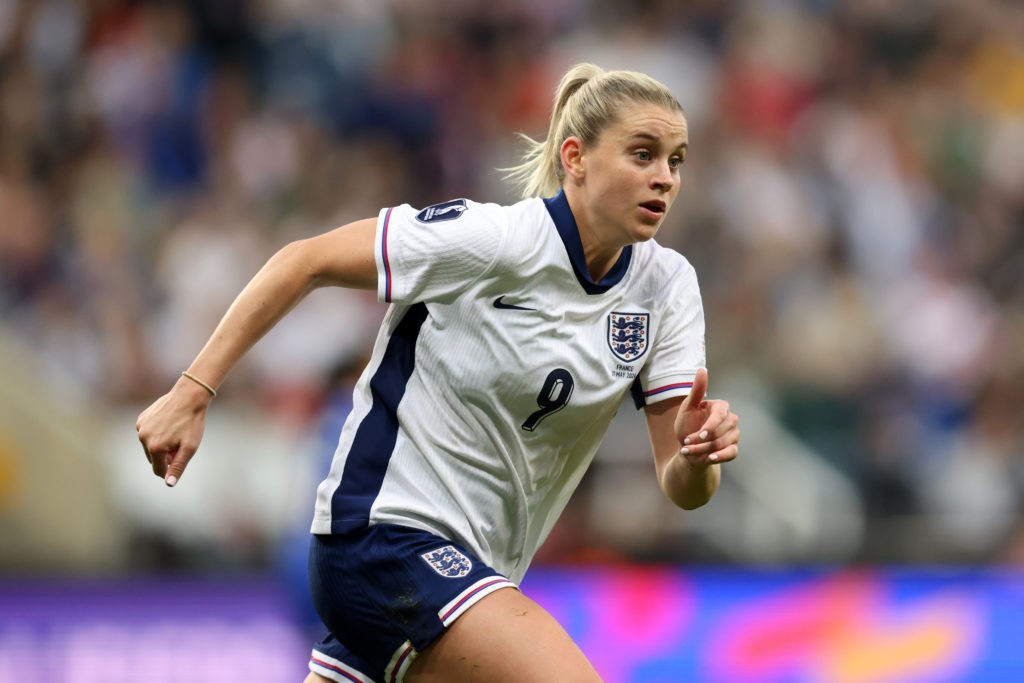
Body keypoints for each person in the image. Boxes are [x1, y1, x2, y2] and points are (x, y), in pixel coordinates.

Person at [136, 62, 740, 683]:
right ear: (575, 157)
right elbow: (304, 260)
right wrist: (193, 390)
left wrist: (698, 456)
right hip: (382, 537)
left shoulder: (667, 287)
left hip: (471, 574)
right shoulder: (493, 240)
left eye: (676, 160)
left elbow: (682, 487)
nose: (664, 178)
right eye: (643, 155)